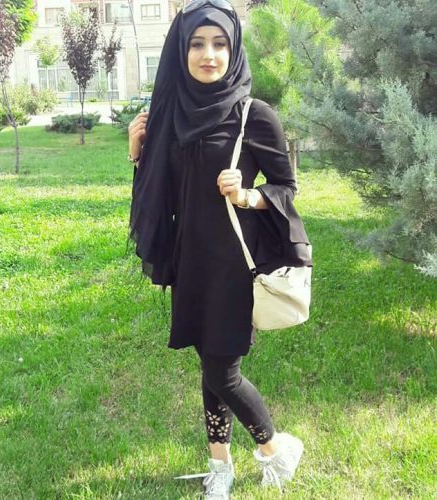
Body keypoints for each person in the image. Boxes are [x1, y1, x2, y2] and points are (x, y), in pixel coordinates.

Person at [128, 1, 311, 498]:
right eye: (197, 44)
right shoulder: (172, 114)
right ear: (181, 51)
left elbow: (287, 187)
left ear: (234, 50)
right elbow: (162, 195)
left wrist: (247, 195)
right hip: (192, 260)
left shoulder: (254, 114)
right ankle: (221, 466)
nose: (208, 55)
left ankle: (275, 448)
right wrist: (137, 156)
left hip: (234, 265)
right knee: (209, 366)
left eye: (219, 44)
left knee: (223, 372)